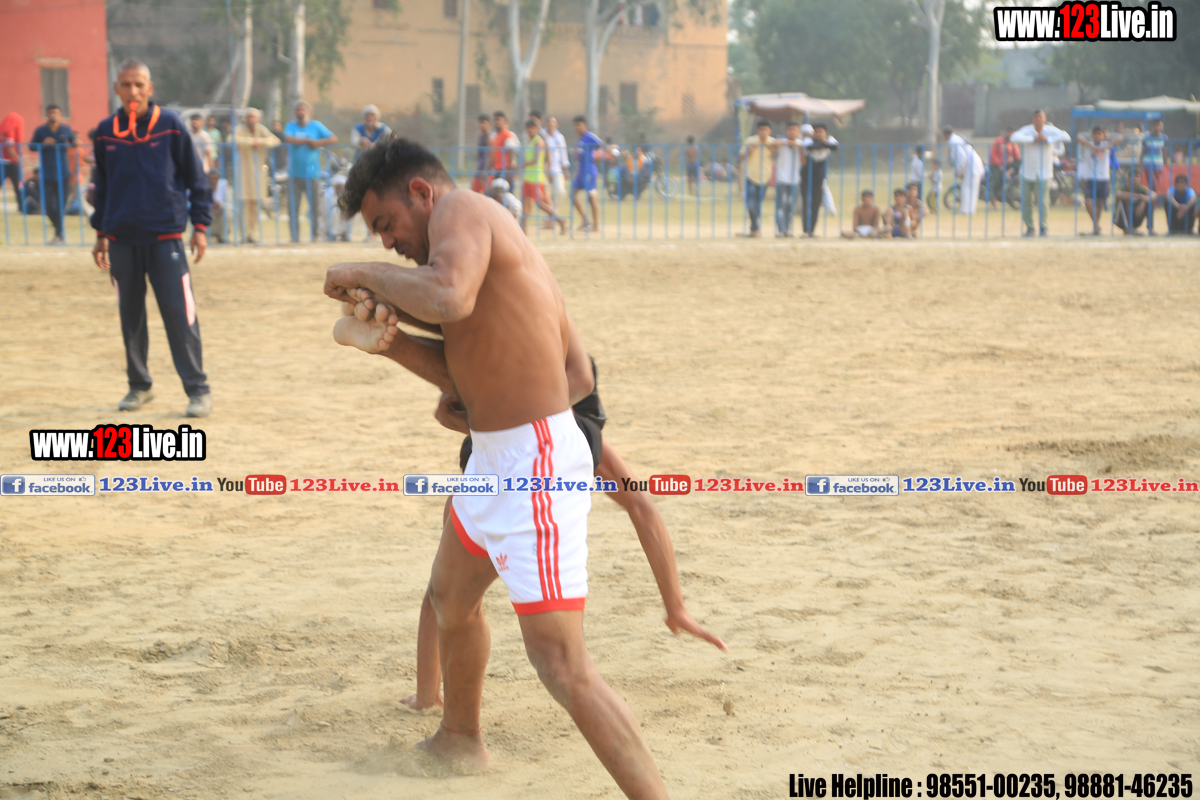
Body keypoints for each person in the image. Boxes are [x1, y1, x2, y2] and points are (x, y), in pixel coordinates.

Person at [324, 134, 676, 798]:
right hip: (497, 459)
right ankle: (460, 735)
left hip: (533, 462)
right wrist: (389, 344)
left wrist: (360, 272)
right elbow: (512, 370)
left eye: (386, 224)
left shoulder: (462, 211)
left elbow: (449, 297)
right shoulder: (472, 251)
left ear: (422, 193)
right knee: (450, 598)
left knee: (562, 665)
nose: (388, 242)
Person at [90, 59, 213, 418]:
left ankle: (198, 390)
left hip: (166, 238)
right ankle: (139, 386)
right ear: (117, 89)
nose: (133, 91)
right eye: (126, 84)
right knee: (130, 316)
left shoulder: (171, 126)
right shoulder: (105, 132)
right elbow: (102, 187)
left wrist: (200, 227)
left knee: (180, 314)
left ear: (150, 88)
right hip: (122, 240)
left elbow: (196, 179)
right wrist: (101, 233)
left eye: (139, 84)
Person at [1010, 109, 1071, 237]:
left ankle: (1043, 228)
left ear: (1045, 119)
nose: (1038, 119)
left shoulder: (1050, 130)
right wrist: (1033, 139)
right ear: (1033, 119)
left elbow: (1066, 136)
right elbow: (1014, 137)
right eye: (1036, 117)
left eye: (1040, 117)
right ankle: (1030, 228)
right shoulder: (1027, 130)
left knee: (1043, 201)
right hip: (1027, 171)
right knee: (1026, 201)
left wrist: (1047, 139)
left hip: (1044, 171)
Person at [282, 100, 337, 242]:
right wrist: (306, 141)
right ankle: (294, 236)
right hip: (294, 173)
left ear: (309, 113)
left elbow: (333, 138)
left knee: (315, 207)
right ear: (295, 113)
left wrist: (317, 143)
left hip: (313, 173)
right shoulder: (291, 125)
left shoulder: (316, 125)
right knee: (293, 207)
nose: (300, 112)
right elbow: (288, 138)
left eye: (303, 110)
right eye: (298, 110)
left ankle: (315, 235)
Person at [233, 107, 279, 244]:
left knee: (255, 204)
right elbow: (233, 139)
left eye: (253, 117)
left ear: (257, 119)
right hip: (243, 173)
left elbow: (275, 140)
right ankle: (244, 234)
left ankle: (252, 234)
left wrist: (260, 142)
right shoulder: (239, 129)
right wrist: (251, 142)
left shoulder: (261, 129)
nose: (251, 120)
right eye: (249, 117)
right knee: (243, 204)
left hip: (258, 174)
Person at [31, 104, 75, 243]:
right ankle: (59, 230)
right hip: (47, 174)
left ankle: (59, 234)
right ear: (46, 114)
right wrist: (43, 143)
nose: (52, 115)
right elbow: (31, 146)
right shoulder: (41, 130)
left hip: (63, 173)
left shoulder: (66, 129)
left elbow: (74, 141)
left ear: (60, 115)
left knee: (62, 205)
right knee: (47, 205)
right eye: (50, 112)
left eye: (55, 112)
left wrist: (76, 142)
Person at [521, 118, 567, 233]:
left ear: (536, 129)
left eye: (532, 128)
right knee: (526, 202)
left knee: (540, 203)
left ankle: (560, 220)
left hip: (536, 178)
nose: (530, 130)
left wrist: (523, 165)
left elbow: (536, 159)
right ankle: (524, 228)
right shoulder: (530, 141)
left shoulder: (539, 142)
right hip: (528, 177)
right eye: (528, 128)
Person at [1076, 125, 1121, 236]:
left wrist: (1108, 145)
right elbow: (1078, 137)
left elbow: (1120, 137)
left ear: (1103, 135)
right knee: (1087, 201)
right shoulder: (1089, 145)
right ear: (1092, 135)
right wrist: (1090, 145)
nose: (1097, 136)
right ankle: (1096, 224)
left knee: (1100, 203)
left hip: (1103, 178)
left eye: (1099, 134)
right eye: (1095, 134)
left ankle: (1096, 227)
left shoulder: (1106, 145)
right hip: (1091, 177)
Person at [800, 123, 837, 236]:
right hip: (806, 176)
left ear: (825, 132)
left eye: (820, 132)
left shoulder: (830, 139)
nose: (818, 134)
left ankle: (812, 230)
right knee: (806, 203)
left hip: (819, 177)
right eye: (816, 132)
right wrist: (824, 144)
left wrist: (823, 143)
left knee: (816, 204)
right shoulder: (808, 140)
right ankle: (805, 230)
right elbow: (810, 147)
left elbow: (834, 147)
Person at [740, 119, 774, 237]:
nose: (763, 132)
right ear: (757, 131)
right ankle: (755, 228)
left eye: (766, 130)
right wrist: (749, 151)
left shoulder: (772, 142)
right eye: (761, 129)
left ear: (769, 131)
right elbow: (741, 157)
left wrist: (772, 149)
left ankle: (754, 229)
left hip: (765, 176)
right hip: (751, 176)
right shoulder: (750, 141)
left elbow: (776, 157)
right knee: (750, 204)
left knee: (757, 205)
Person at [941, 125, 983, 217]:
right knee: (971, 189)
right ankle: (969, 211)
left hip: (971, 166)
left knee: (966, 188)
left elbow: (962, 157)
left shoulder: (953, 141)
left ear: (945, 135)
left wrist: (959, 170)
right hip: (973, 165)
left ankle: (965, 211)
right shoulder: (956, 138)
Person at [571, 115, 603, 232]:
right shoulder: (581, 140)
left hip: (589, 171)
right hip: (581, 172)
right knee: (572, 195)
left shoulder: (589, 136)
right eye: (575, 126)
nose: (576, 128)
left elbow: (601, 144)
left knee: (591, 198)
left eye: (578, 125)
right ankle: (585, 220)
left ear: (584, 125)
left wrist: (610, 149)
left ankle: (596, 226)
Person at [773, 122, 802, 237]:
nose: (792, 132)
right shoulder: (782, 142)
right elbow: (774, 143)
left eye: (794, 130)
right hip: (782, 178)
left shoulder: (801, 144)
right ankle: (781, 230)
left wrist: (797, 146)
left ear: (798, 132)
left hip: (795, 179)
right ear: (786, 131)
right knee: (781, 205)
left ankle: (787, 229)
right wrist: (788, 142)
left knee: (790, 206)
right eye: (790, 129)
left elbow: (804, 160)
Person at [1142, 118, 1168, 234]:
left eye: (1159, 125)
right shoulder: (1147, 137)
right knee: (1152, 190)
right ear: (1152, 126)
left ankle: (1154, 202)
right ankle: (1154, 203)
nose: (1157, 127)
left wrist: (1163, 162)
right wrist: (1140, 164)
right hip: (1148, 166)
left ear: (1161, 126)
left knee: (1155, 191)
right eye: (1155, 125)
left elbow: (1164, 152)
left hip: (1159, 166)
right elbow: (1142, 152)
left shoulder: (1164, 138)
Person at [544, 116, 569, 218]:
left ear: (556, 125)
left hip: (557, 169)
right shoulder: (543, 135)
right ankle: (550, 218)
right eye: (549, 121)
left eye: (553, 122)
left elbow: (563, 153)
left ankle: (553, 216)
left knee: (560, 192)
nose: (550, 123)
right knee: (547, 195)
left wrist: (566, 169)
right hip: (544, 170)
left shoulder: (560, 137)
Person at [988, 127, 1019, 208]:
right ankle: (993, 201)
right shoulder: (999, 141)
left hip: (1007, 165)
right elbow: (993, 154)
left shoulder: (1013, 143)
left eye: (1012, 133)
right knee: (997, 181)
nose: (1010, 134)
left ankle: (1008, 173)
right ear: (1005, 132)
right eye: (1009, 132)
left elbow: (1016, 158)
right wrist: (999, 164)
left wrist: (1014, 147)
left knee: (1020, 162)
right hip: (995, 165)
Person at [1, 112, 25, 208]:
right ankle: (22, 206)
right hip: (11, 162)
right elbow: (9, 147)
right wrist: (18, 159)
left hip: (1, 161)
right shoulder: (10, 131)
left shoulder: (2, 131)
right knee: (18, 186)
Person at [490, 111, 519, 188]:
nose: (496, 122)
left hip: (505, 171)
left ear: (504, 121)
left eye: (498, 120)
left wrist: (509, 172)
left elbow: (511, 152)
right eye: (495, 120)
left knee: (506, 194)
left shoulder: (507, 135)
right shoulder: (496, 136)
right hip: (497, 170)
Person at [325, 173, 350, 240]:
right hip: (330, 220)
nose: (340, 189)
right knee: (335, 212)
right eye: (338, 187)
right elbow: (325, 211)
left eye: (341, 187)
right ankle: (333, 234)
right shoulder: (328, 195)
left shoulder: (347, 194)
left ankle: (346, 234)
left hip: (342, 218)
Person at [471, 115, 492, 193]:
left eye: (484, 122)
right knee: (474, 192)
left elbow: (491, 156)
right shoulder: (481, 138)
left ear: (489, 124)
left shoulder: (489, 138)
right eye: (480, 123)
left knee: (485, 194)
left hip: (485, 172)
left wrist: (485, 171)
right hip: (479, 170)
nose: (481, 125)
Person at [207, 168, 228, 243]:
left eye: (215, 178)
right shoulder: (203, 185)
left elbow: (218, 205)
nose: (212, 180)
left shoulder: (223, 184)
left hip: (217, 209)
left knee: (224, 211)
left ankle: (221, 235)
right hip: (207, 209)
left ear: (218, 178)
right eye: (210, 178)